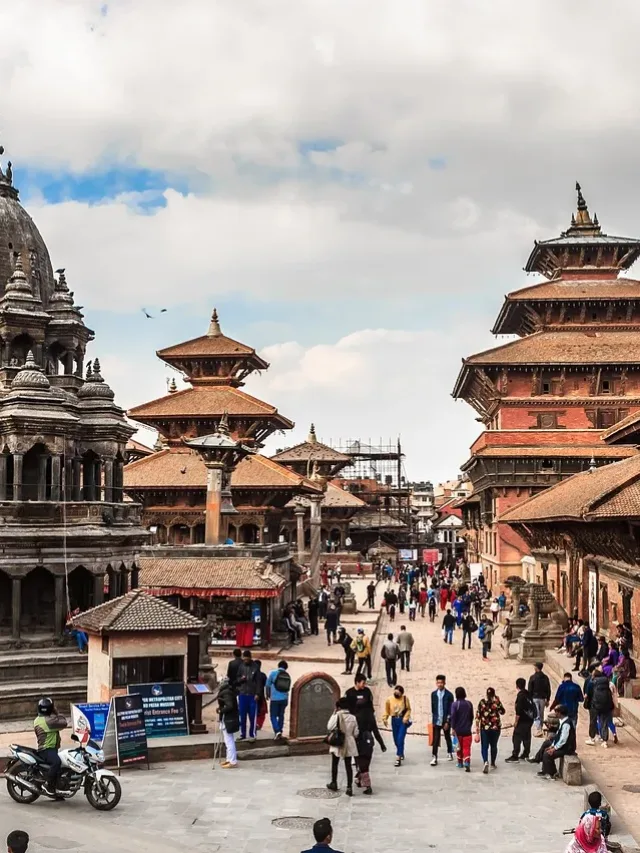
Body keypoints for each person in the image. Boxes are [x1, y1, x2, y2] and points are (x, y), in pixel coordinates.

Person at [529, 704, 576, 779]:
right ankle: (541, 764)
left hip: (567, 748)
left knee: (547, 754)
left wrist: (554, 748)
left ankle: (551, 773)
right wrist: (552, 745)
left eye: (556, 711)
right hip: (563, 745)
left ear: (560, 713)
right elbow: (558, 735)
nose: (555, 713)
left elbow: (563, 739)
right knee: (546, 744)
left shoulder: (566, 724)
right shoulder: (562, 721)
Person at [34, 697, 67, 795]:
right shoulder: (50, 722)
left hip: (50, 748)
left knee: (60, 767)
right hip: (46, 749)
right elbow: (64, 722)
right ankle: (47, 784)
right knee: (56, 762)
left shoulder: (38, 719)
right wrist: (56, 712)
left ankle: (57, 791)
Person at [345, 675, 386, 752]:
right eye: (363, 683)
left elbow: (370, 703)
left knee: (374, 730)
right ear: (357, 682)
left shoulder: (367, 691)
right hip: (357, 719)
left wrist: (373, 713)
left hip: (368, 716)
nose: (364, 685)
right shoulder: (349, 693)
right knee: (358, 735)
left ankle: (381, 745)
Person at [326, 697, 358, 796]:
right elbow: (356, 733)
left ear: (338, 706)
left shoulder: (337, 716)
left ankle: (334, 782)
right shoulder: (353, 717)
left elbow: (329, 727)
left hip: (338, 742)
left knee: (334, 763)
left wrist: (334, 713)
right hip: (349, 742)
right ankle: (349, 787)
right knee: (348, 766)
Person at [475, 686, 506, 774]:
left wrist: (477, 729)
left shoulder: (482, 702)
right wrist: (498, 703)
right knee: (494, 745)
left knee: (484, 746)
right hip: (495, 727)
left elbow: (478, 716)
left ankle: (485, 761)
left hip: (484, 728)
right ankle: (492, 763)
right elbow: (502, 712)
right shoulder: (496, 702)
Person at [506, 677, 535, 762]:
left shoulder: (520, 695)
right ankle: (526, 753)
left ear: (517, 686)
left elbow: (518, 711)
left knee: (516, 737)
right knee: (527, 736)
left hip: (522, 720)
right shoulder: (528, 693)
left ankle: (515, 755)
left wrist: (516, 722)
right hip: (529, 719)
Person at [383, 684, 411, 767]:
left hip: (402, 721)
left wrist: (406, 717)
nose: (396, 694)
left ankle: (398, 757)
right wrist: (385, 718)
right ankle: (401, 751)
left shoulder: (405, 699)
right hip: (394, 720)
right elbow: (387, 710)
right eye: (395, 692)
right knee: (396, 739)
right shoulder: (389, 699)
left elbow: (408, 709)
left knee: (400, 738)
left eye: (398, 693)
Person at [585, 668, 615, 748]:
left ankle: (592, 738)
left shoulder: (591, 683)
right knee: (604, 722)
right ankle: (605, 740)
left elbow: (587, 695)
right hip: (606, 705)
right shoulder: (606, 682)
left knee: (593, 722)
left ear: (594, 675)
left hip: (594, 705)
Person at [430, 675, 454, 766]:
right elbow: (433, 707)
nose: (439, 684)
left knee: (447, 736)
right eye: (438, 683)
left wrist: (448, 721)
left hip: (445, 719)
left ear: (444, 683)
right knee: (435, 739)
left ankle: (450, 752)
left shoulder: (449, 695)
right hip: (437, 720)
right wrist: (434, 719)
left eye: (441, 683)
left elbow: (451, 709)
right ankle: (434, 756)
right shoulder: (433, 694)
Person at [236, 650, 259, 741]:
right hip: (242, 694)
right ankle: (242, 733)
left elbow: (258, 682)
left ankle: (252, 734)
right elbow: (237, 679)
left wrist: (258, 693)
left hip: (252, 695)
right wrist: (241, 679)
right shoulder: (241, 667)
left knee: (252, 715)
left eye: (247, 659)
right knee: (242, 715)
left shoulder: (255, 667)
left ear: (250, 658)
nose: (245, 660)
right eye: (244, 659)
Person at [217, 677, 240, 768]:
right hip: (227, 718)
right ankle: (229, 759)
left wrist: (221, 710)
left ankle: (232, 760)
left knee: (229, 740)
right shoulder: (228, 691)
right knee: (227, 740)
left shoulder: (226, 692)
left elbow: (229, 706)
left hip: (228, 718)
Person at [265, 660, 291, 740]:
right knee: (281, 715)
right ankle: (280, 730)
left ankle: (277, 731)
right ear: (286, 668)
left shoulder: (273, 673)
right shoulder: (287, 675)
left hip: (275, 699)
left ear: (278, 666)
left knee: (273, 716)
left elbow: (267, 685)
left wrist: (268, 695)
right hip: (284, 699)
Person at [450, 686, 474, 772]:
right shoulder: (469, 704)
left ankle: (460, 762)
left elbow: (453, 717)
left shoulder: (455, 705)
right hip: (467, 730)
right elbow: (472, 716)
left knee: (458, 747)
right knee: (466, 747)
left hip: (458, 730)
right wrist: (469, 725)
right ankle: (467, 761)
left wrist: (453, 728)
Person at [528, 662, 551, 738]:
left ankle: (539, 729)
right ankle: (540, 728)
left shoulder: (532, 677)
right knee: (541, 714)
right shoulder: (545, 677)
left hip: (535, 698)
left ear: (537, 668)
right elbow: (548, 689)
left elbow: (530, 689)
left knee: (536, 714)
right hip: (543, 698)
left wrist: (529, 699)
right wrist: (548, 699)